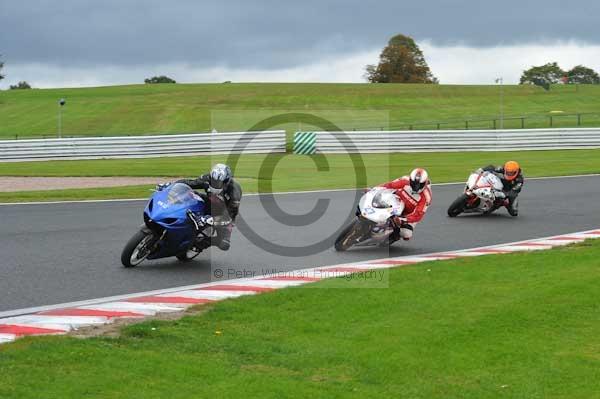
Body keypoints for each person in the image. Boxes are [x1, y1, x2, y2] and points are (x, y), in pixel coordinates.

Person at [158, 163, 242, 250]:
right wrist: (171, 185)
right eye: (214, 181)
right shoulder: (207, 178)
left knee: (224, 244)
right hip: (209, 202)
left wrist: (210, 219)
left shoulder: (234, 192)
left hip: (225, 213)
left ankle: (199, 244)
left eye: (219, 183)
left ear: (227, 181)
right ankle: (174, 218)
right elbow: (190, 183)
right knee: (190, 195)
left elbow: (230, 213)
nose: (216, 185)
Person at [377, 168, 432, 243]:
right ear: (410, 180)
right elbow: (389, 185)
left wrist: (402, 220)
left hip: (407, 214)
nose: (416, 186)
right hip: (394, 203)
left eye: (419, 184)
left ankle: (394, 236)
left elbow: (418, 214)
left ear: (424, 183)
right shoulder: (405, 180)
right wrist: (374, 189)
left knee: (406, 233)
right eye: (414, 183)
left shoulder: (426, 197)